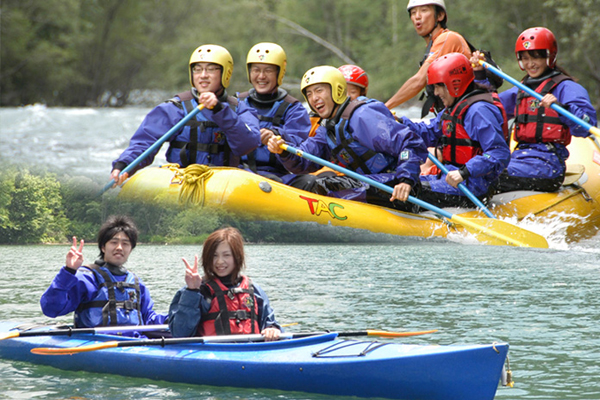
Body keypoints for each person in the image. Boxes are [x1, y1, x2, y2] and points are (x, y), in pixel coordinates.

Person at [267, 66, 428, 211]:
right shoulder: (328, 128)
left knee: (324, 185)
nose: (314, 98)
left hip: (397, 187)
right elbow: (304, 159)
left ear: (337, 90)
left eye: (319, 90)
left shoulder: (362, 116)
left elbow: (409, 142)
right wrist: (283, 150)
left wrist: (406, 180)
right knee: (312, 181)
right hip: (371, 185)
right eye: (309, 94)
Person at [110, 44, 260, 186]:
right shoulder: (174, 108)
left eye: (211, 69)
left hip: (223, 184)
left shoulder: (240, 109)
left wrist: (219, 110)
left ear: (225, 73)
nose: (203, 75)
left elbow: (248, 144)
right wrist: (123, 165)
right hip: (182, 181)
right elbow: (144, 143)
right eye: (197, 69)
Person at [473, 27, 597, 193]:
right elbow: (490, 108)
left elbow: (587, 125)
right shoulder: (521, 89)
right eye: (525, 58)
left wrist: (561, 108)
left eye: (535, 58)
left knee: (487, 175)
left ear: (549, 56)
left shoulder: (567, 88)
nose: (530, 64)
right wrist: (480, 74)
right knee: (475, 169)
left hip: (548, 166)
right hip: (519, 159)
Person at [397, 53, 510, 208]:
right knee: (396, 181)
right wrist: (400, 122)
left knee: (411, 190)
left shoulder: (479, 111)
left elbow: (499, 153)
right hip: (449, 176)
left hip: (472, 186)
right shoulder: (452, 109)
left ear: (454, 83)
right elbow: (429, 132)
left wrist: (464, 172)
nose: (436, 93)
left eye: (438, 86)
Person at [40, 215, 167, 328]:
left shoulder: (136, 283)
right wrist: (69, 271)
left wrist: (175, 318)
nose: (119, 248)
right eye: (114, 242)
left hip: (133, 343)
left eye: (125, 244)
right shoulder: (87, 278)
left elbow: (149, 320)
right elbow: (51, 309)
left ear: (131, 249)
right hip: (96, 343)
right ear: (103, 247)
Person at [168, 227, 281, 341]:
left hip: (251, 353)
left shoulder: (254, 290)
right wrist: (192, 291)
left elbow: (269, 322)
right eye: (214, 256)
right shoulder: (199, 291)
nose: (219, 261)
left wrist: (271, 329)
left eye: (226, 255)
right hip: (212, 354)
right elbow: (179, 334)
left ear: (237, 257)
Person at [237, 43, 311, 183]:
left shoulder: (294, 109)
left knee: (309, 181)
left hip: (278, 176)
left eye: (268, 70)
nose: (261, 76)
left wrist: (277, 136)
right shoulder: (236, 102)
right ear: (249, 72)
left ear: (279, 73)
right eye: (256, 70)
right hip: (239, 172)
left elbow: (300, 148)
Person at [385, 0, 471, 115]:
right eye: (413, 13)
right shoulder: (433, 45)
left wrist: (385, 107)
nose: (417, 17)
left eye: (424, 10)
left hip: (468, 116)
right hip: (453, 116)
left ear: (440, 15)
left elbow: (419, 80)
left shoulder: (447, 38)